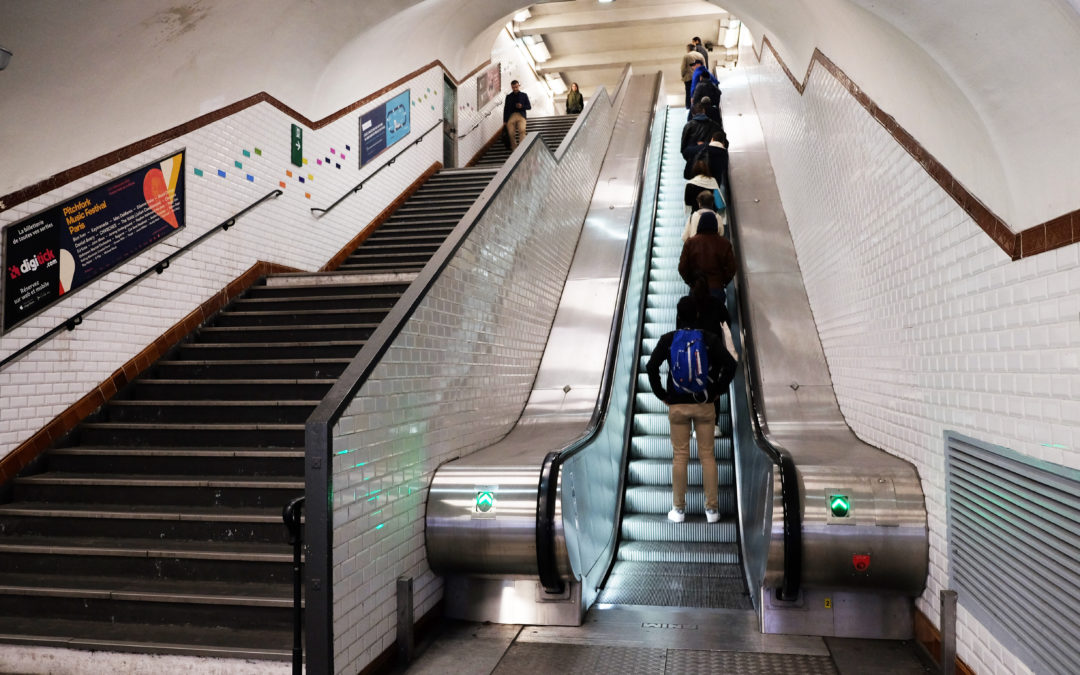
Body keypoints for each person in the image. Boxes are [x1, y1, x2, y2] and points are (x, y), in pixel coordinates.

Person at [646, 296, 736, 523]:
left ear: (677, 317)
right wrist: (718, 390)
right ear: (697, 316)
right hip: (704, 405)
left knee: (680, 457)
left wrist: (662, 395)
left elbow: (651, 366)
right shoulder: (708, 338)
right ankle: (712, 511)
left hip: (677, 406)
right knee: (707, 456)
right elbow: (731, 364)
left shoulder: (668, 339)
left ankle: (678, 510)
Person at [679, 210, 736, 304]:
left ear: (700, 224)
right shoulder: (724, 243)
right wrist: (722, 281)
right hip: (717, 289)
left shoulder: (690, 243)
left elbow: (682, 267)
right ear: (715, 225)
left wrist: (691, 282)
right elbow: (732, 268)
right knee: (715, 317)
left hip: (697, 289)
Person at [503, 80, 531, 150]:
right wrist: (505, 120)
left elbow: (529, 107)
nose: (515, 89)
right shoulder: (508, 97)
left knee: (522, 130)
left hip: (521, 115)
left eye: (516, 87)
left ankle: (522, 148)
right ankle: (514, 149)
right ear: (511, 87)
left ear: (519, 85)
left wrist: (521, 106)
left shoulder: (524, 95)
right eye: (513, 87)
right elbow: (506, 109)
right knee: (511, 133)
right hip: (511, 116)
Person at [681, 44, 705, 109]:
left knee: (689, 93)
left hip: (689, 78)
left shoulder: (686, 56)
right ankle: (699, 106)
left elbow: (683, 68)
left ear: (688, 49)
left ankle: (689, 107)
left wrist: (683, 76)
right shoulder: (701, 56)